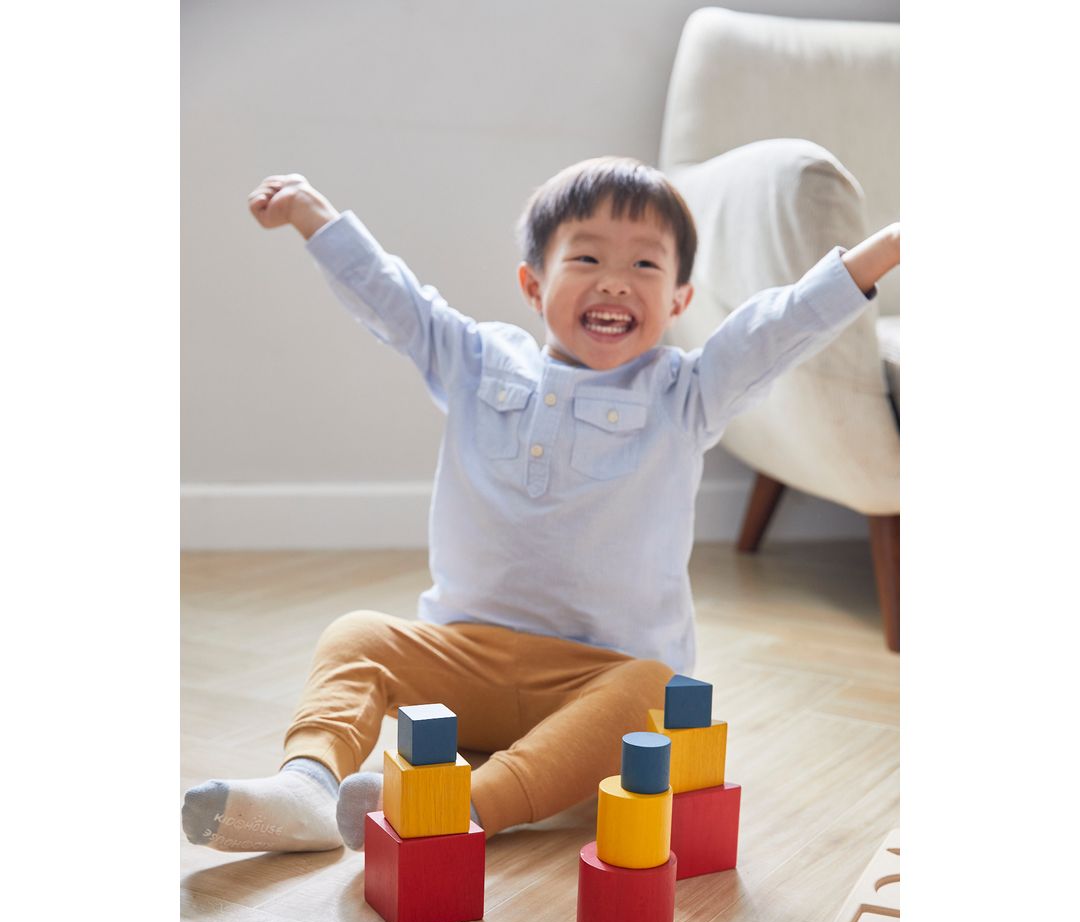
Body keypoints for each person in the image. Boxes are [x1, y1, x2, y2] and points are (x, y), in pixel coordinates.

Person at [182, 158, 900, 854]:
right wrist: (315, 217)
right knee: (357, 635)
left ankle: (466, 807)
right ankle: (307, 787)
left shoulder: (687, 393)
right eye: (586, 260)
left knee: (661, 691)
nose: (615, 282)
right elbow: (393, 297)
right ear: (533, 284)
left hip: (601, 678)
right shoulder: (477, 362)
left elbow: (774, 328)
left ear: (679, 301)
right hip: (464, 658)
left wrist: (886, 250)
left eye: (645, 266)